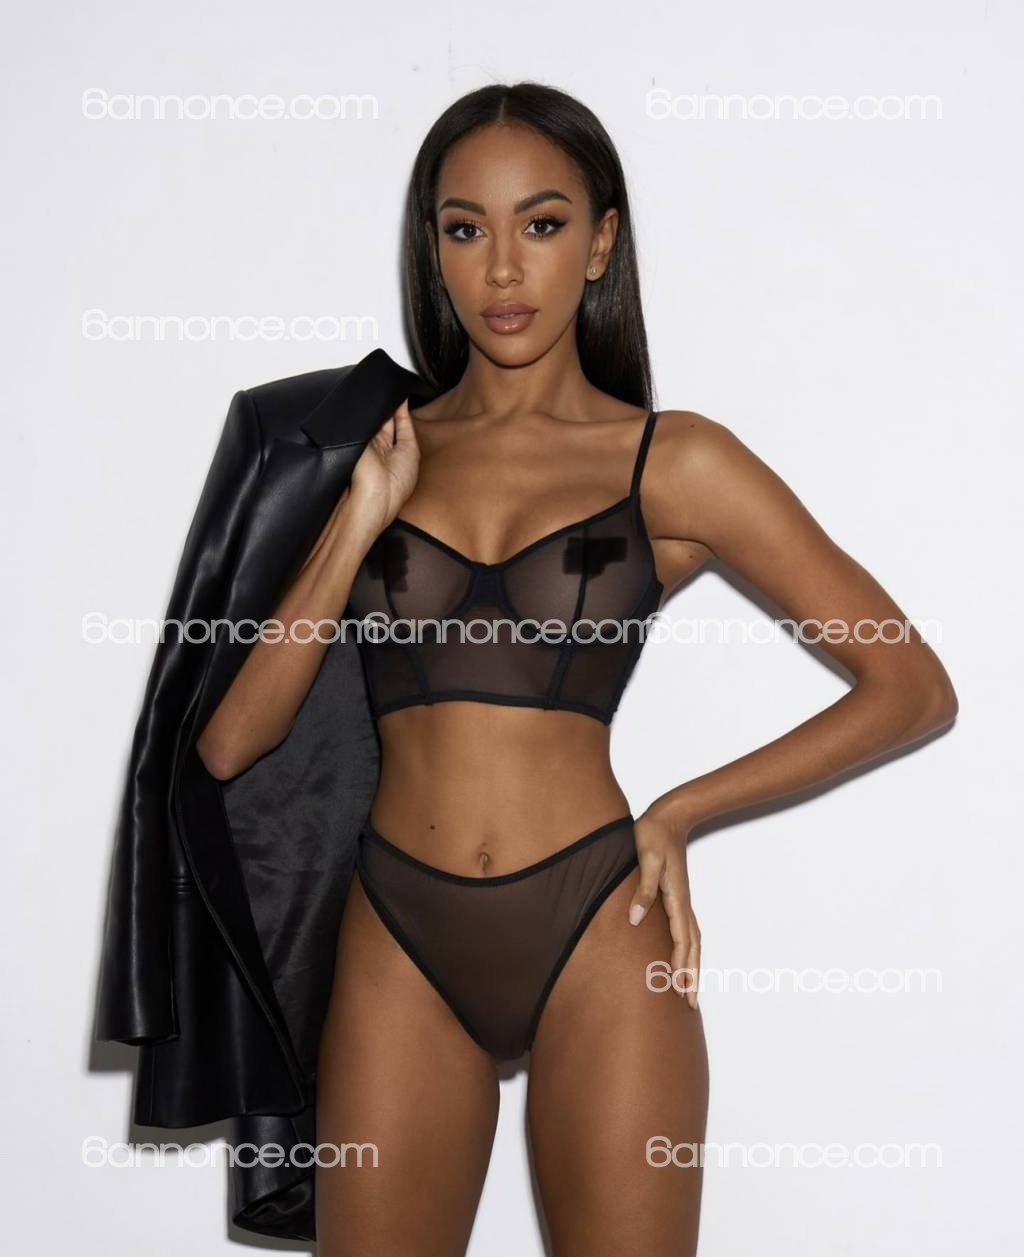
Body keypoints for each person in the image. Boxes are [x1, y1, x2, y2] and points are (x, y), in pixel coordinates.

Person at [195, 82, 959, 1257]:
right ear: (434, 248)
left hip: (599, 925)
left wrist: (683, 810)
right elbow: (229, 745)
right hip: (398, 934)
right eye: (466, 229)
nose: (503, 269)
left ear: (600, 242)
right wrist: (356, 521)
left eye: (542, 224)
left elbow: (911, 686)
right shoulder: (366, 446)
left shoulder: (672, 460)